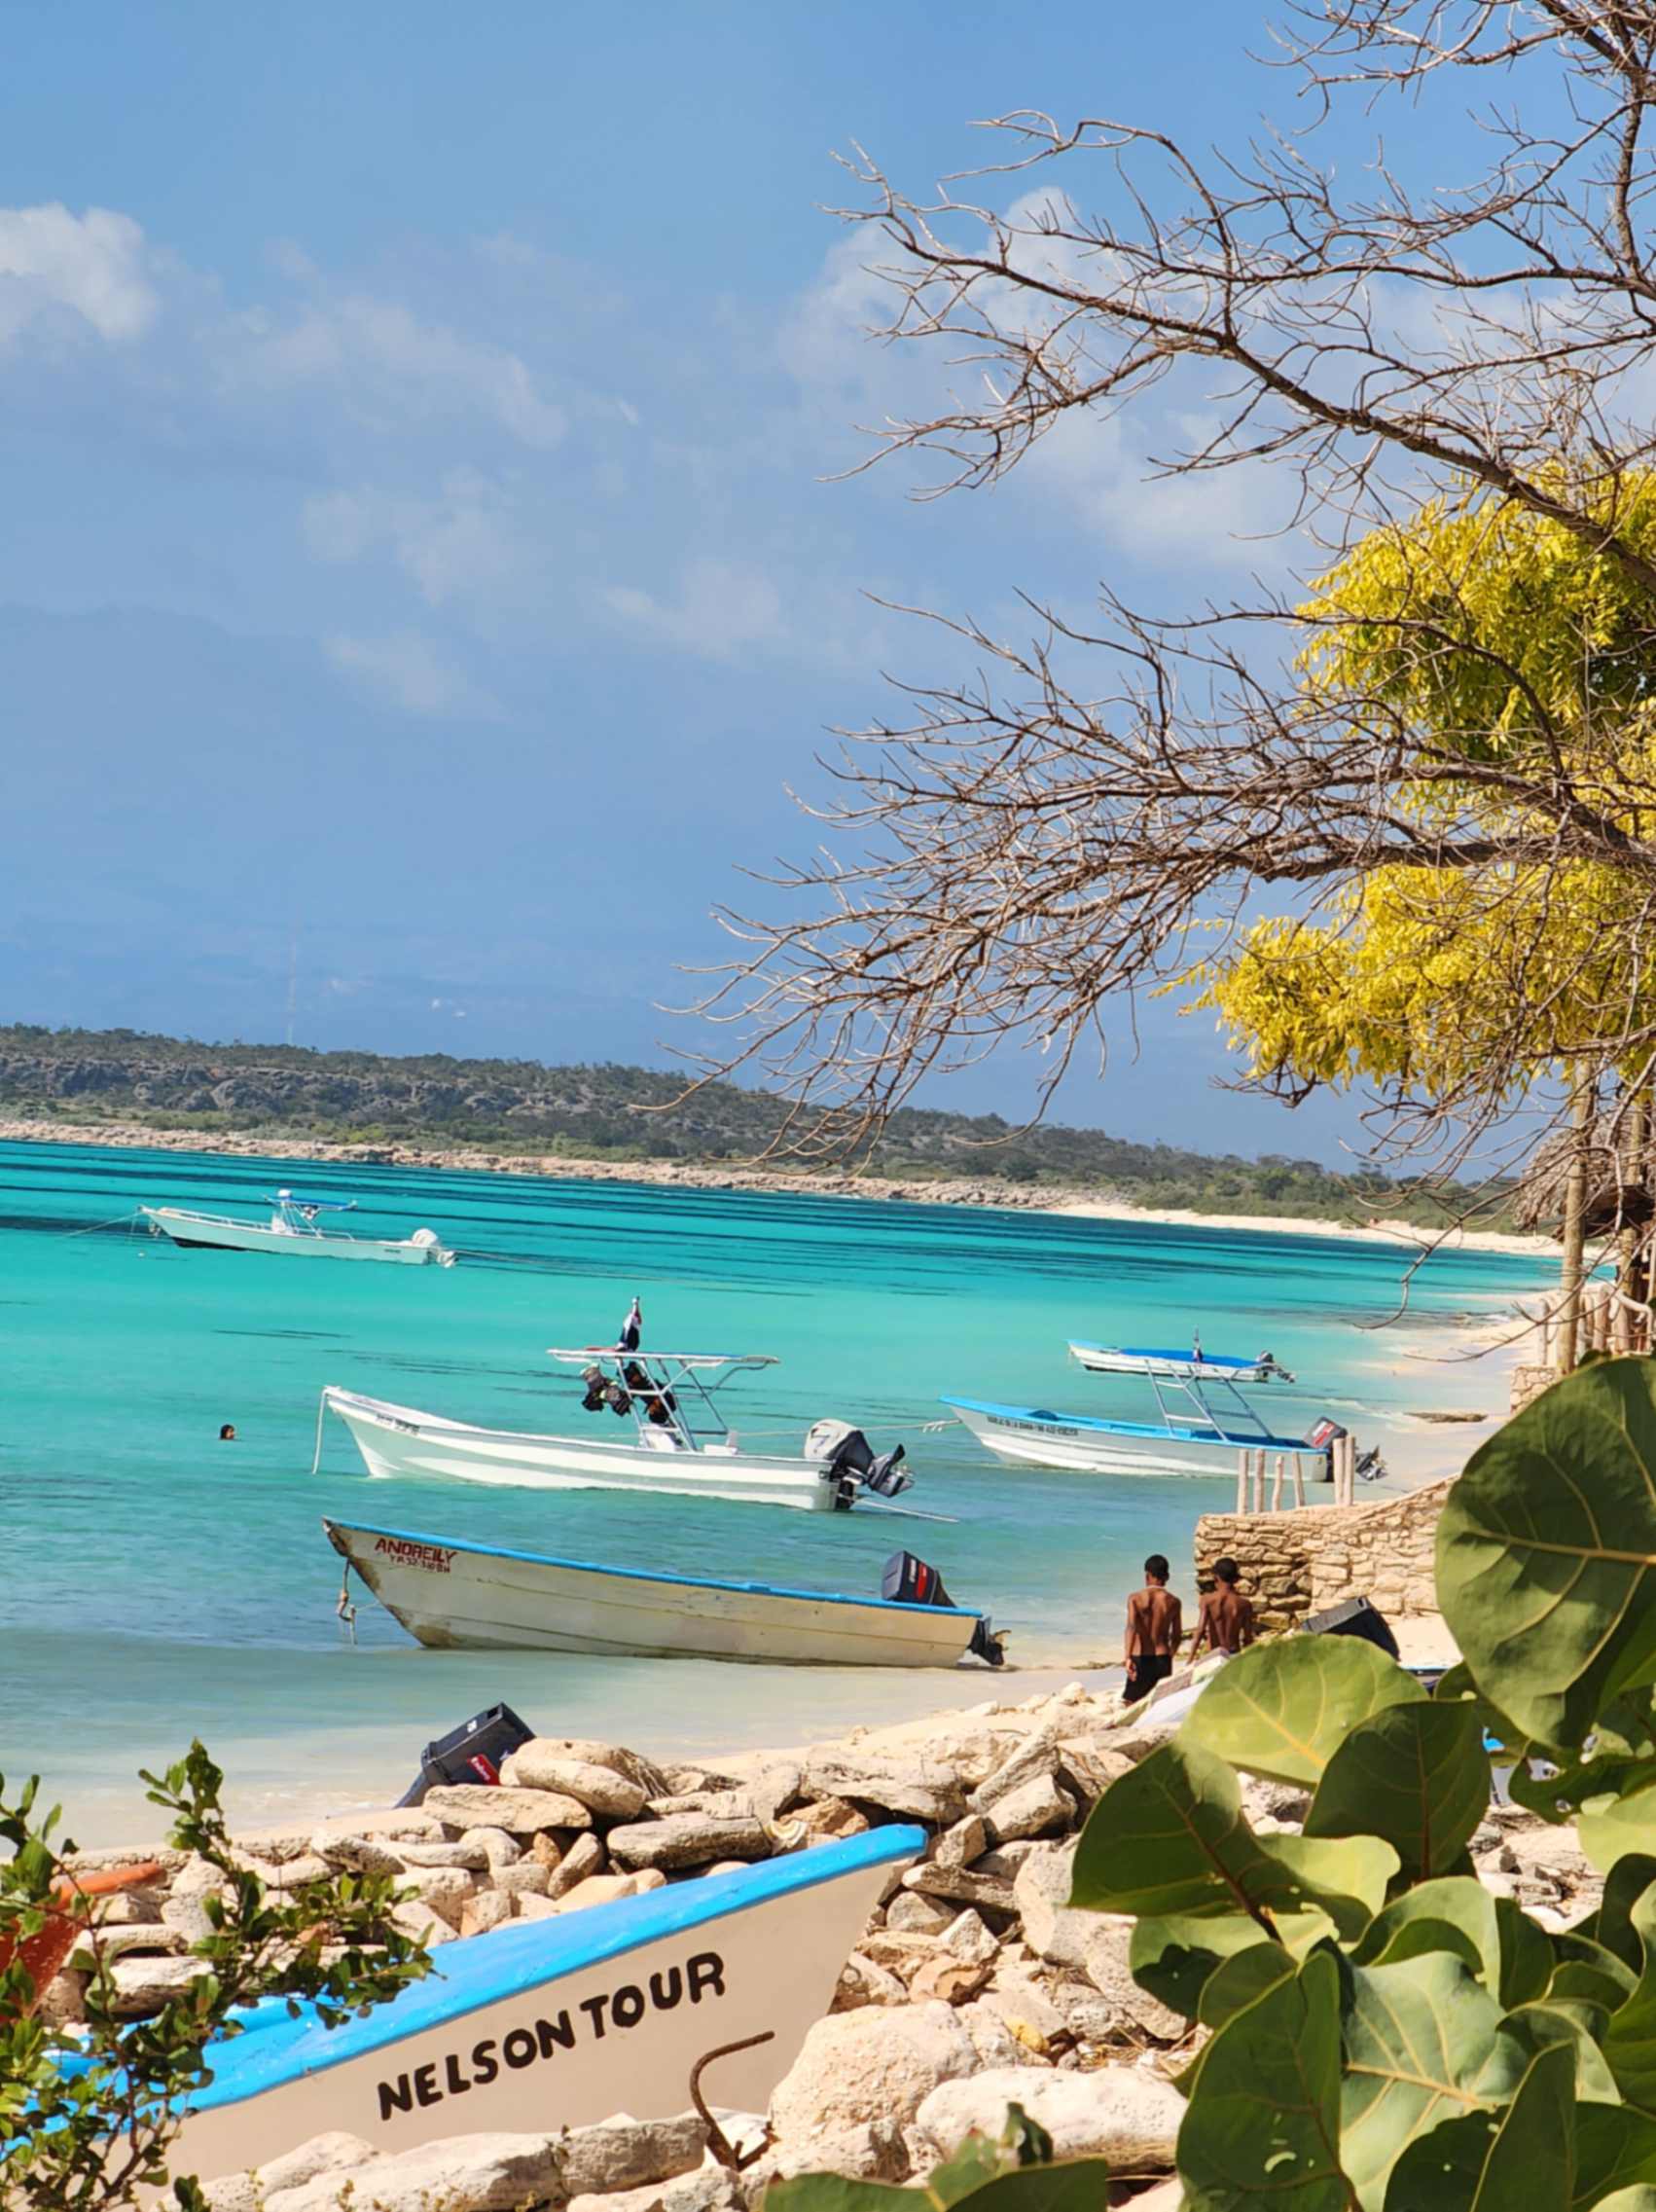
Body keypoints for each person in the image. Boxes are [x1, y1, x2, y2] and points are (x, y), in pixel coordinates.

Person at [1123, 1554, 1182, 1704]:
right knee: (1160, 1704)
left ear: (1147, 1575)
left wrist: (1127, 1657)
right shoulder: (1174, 1602)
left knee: (1132, 1703)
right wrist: (1170, 1656)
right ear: (1167, 1576)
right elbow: (1176, 1636)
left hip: (1140, 1657)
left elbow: (1131, 1627)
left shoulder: (1135, 1598)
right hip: (1163, 1657)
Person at [1189, 1556, 1258, 1660]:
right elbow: (1248, 1637)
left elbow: (1200, 1630)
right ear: (1235, 1579)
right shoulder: (1244, 1604)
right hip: (1235, 1656)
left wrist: (1190, 1658)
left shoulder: (1208, 1600)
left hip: (1215, 1655)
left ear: (1216, 1577)